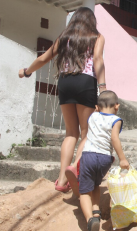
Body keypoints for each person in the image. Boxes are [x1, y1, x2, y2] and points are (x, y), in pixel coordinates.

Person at [18, 7, 107, 192]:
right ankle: (74, 168)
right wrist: (103, 88)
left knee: (70, 133)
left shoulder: (64, 37)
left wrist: (27, 71)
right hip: (86, 82)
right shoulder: (97, 37)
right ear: (92, 21)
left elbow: (43, 58)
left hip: (65, 82)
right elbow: (98, 59)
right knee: (86, 133)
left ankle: (60, 180)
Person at [77, 90, 129, 231]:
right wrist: (122, 159)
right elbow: (114, 138)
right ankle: (96, 211)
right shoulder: (116, 120)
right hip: (105, 158)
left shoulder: (92, 116)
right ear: (117, 106)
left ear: (97, 107)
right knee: (96, 184)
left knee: (84, 191)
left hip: (89, 156)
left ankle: (90, 220)